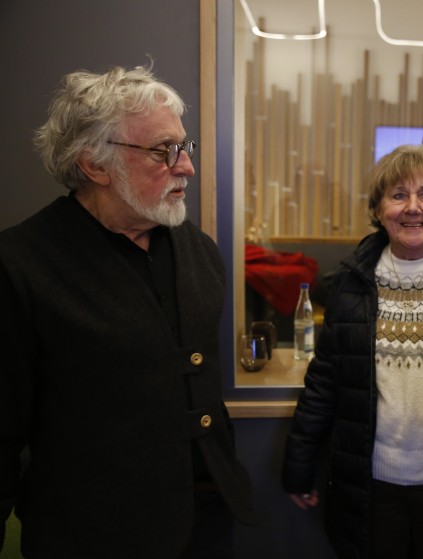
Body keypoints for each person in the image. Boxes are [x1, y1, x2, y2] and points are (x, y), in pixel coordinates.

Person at [0, 65, 257, 558]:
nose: (186, 167)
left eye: (185, 147)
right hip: (94, 534)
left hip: (207, 520)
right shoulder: (20, 266)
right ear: (95, 165)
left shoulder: (197, 249)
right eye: (165, 150)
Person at [282, 144, 423, 558]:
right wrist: (299, 466)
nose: (413, 207)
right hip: (372, 487)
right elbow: (325, 380)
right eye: (398, 195)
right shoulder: (350, 282)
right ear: (377, 209)